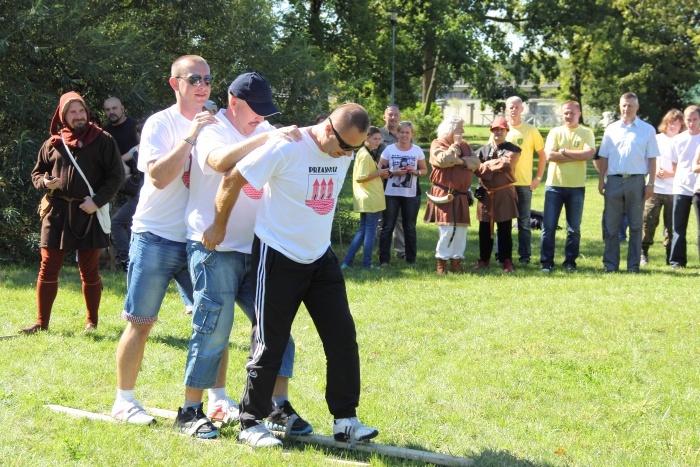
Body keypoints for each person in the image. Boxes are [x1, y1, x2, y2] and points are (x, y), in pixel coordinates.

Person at [202, 103, 378, 448]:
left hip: (320, 258)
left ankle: (345, 419)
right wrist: (219, 224)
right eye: (344, 146)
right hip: (278, 255)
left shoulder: (345, 151)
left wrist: (349, 152)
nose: (347, 154)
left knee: (342, 337)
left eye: (355, 149)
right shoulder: (287, 146)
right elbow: (233, 176)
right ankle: (250, 422)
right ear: (328, 129)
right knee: (270, 342)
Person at [177, 72, 312, 438]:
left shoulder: (262, 126)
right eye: (256, 111)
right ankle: (190, 411)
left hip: (260, 249)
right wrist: (267, 137)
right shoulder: (212, 128)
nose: (262, 118)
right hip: (215, 249)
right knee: (212, 331)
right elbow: (220, 162)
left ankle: (275, 406)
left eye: (266, 113)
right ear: (233, 102)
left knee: (275, 329)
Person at [111, 55, 221, 428]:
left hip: (198, 239)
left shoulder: (218, 122)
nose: (202, 85)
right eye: (194, 79)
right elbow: (159, 177)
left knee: (212, 322)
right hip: (155, 236)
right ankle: (124, 401)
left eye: (207, 79)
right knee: (141, 322)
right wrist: (192, 136)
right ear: (176, 84)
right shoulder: (160, 123)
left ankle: (218, 400)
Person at [20, 92, 123, 334]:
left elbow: (115, 176)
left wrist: (96, 202)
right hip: (55, 212)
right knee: (48, 266)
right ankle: (41, 323)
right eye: (72, 112)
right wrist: (45, 183)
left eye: (81, 111)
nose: (78, 116)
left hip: (87, 212)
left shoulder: (103, 139)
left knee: (89, 270)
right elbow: (37, 173)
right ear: (63, 115)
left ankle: (92, 322)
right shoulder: (53, 143)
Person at [598, 92, 659, 272]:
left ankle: (633, 266)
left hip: (637, 182)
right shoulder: (611, 129)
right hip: (614, 182)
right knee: (611, 226)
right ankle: (611, 265)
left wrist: (651, 183)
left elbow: (653, 159)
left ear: (637, 107)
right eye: (624, 105)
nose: (626, 109)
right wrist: (601, 180)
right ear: (620, 106)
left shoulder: (647, 130)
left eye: (630, 105)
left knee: (635, 226)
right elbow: (604, 157)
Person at [539, 101, 596, 272]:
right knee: (548, 227)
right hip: (554, 186)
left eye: (571, 112)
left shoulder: (587, 133)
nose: (568, 116)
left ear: (579, 113)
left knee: (574, 229)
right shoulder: (555, 132)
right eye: (565, 113)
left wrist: (563, 152)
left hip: (576, 187)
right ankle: (546, 262)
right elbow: (549, 155)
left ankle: (570, 262)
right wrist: (575, 156)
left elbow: (588, 153)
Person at [424, 115, 480, 274]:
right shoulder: (437, 144)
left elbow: (476, 163)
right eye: (459, 129)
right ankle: (441, 264)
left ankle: (456, 264)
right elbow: (444, 160)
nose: (462, 131)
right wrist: (455, 147)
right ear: (450, 130)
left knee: (461, 230)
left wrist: (461, 161)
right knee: (447, 229)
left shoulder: (466, 145)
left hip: (461, 195)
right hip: (444, 194)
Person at [472, 116, 521, 273]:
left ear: (506, 131)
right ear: (491, 131)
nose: (498, 132)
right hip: (486, 193)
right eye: (495, 129)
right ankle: (484, 260)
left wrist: (485, 165)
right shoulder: (481, 150)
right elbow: (475, 168)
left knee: (505, 229)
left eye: (501, 129)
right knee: (484, 229)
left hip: (504, 192)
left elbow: (507, 164)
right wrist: (490, 165)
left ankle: (506, 261)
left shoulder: (513, 149)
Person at [378, 121, 428, 266]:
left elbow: (424, 170)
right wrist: (394, 172)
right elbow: (379, 171)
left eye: (407, 132)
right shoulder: (389, 149)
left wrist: (416, 172)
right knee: (388, 227)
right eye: (402, 132)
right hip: (391, 193)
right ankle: (384, 260)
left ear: (412, 134)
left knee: (410, 227)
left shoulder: (417, 150)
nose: (404, 135)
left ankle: (411, 259)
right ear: (397, 134)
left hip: (411, 195)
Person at [504, 96, 546, 264]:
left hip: (523, 184)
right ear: (506, 110)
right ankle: (503, 256)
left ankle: (524, 257)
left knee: (524, 222)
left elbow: (542, 155)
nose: (514, 110)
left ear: (522, 109)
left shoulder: (531, 130)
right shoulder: (501, 129)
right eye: (510, 107)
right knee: (504, 222)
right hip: (504, 184)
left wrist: (537, 177)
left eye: (516, 107)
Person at [341, 126, 389, 270]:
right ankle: (366, 264)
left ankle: (347, 262)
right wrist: (379, 173)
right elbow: (361, 178)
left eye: (379, 139)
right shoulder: (365, 155)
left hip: (367, 198)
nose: (378, 142)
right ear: (366, 138)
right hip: (370, 198)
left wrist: (379, 173)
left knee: (363, 230)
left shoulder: (365, 153)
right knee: (370, 232)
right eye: (375, 138)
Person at [641, 109, 684, 265]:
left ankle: (670, 254)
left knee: (671, 224)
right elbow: (648, 159)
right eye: (670, 123)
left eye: (677, 123)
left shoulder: (682, 140)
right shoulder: (657, 139)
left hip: (674, 189)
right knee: (648, 221)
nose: (673, 126)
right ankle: (643, 252)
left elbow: (686, 164)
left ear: (681, 125)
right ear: (665, 124)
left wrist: (671, 173)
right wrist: (656, 170)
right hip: (655, 187)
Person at [668, 105, 700, 269]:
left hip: (698, 188)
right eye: (688, 119)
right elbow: (674, 165)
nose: (691, 123)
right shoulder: (678, 140)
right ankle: (677, 260)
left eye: (695, 119)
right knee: (678, 227)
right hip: (681, 187)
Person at [110, 122, 143, 271]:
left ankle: (127, 259)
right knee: (131, 226)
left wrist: (128, 172)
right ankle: (131, 259)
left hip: (143, 197)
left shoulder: (139, 149)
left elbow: (119, 159)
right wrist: (127, 171)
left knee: (116, 222)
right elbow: (120, 160)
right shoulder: (138, 149)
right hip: (141, 196)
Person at [378, 104, 406, 258]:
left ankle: (401, 252)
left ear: (399, 117)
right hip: (384, 182)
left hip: (404, 183)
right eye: (390, 115)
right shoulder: (379, 135)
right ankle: (381, 249)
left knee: (401, 218)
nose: (393, 117)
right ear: (384, 117)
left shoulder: (405, 133)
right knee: (384, 219)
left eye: (396, 115)